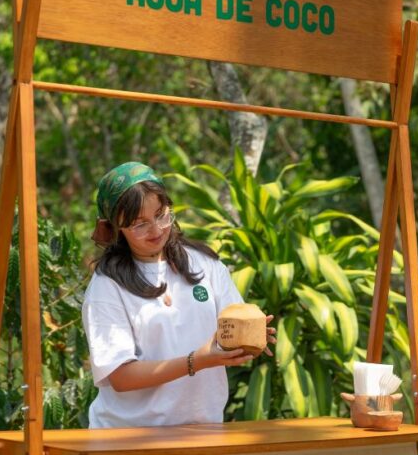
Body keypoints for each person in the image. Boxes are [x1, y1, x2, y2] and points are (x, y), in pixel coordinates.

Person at [82, 161, 276, 428]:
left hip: (201, 432)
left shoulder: (204, 264)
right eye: (140, 224)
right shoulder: (106, 286)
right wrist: (195, 361)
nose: (157, 229)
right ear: (117, 228)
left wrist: (251, 338)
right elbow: (120, 376)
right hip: (128, 439)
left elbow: (228, 336)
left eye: (161, 214)